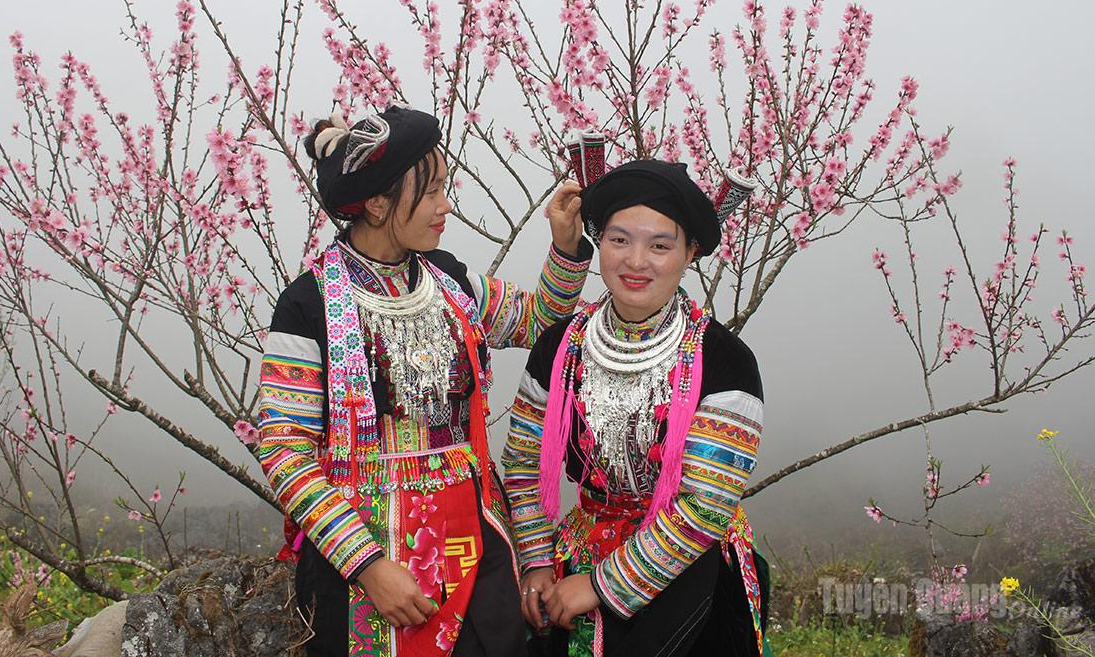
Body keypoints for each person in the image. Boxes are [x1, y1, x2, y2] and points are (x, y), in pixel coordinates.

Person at [257, 106, 592, 657]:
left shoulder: (449, 280)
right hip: (368, 551)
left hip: (476, 538)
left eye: (444, 187)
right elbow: (285, 452)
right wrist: (367, 567)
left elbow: (539, 321)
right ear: (377, 202)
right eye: (432, 191)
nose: (445, 205)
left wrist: (564, 246)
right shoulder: (306, 306)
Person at [502, 160, 770, 657]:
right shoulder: (559, 346)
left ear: (690, 252)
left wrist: (600, 587)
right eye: (619, 240)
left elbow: (704, 507)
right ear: (598, 241)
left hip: (692, 571)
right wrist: (537, 560)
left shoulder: (726, 362)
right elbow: (521, 464)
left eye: (660, 245)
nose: (636, 261)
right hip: (575, 558)